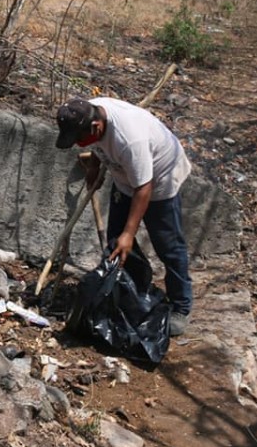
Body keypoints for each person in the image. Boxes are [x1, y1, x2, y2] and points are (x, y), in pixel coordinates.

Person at [55, 97, 192, 336]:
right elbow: (97, 145)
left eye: (80, 139)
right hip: (127, 177)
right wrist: (95, 168)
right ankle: (127, 292)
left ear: (96, 127)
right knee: (114, 242)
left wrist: (130, 233)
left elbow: (144, 188)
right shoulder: (88, 111)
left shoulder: (131, 141)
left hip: (160, 180)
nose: (79, 144)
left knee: (168, 246)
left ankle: (181, 306)